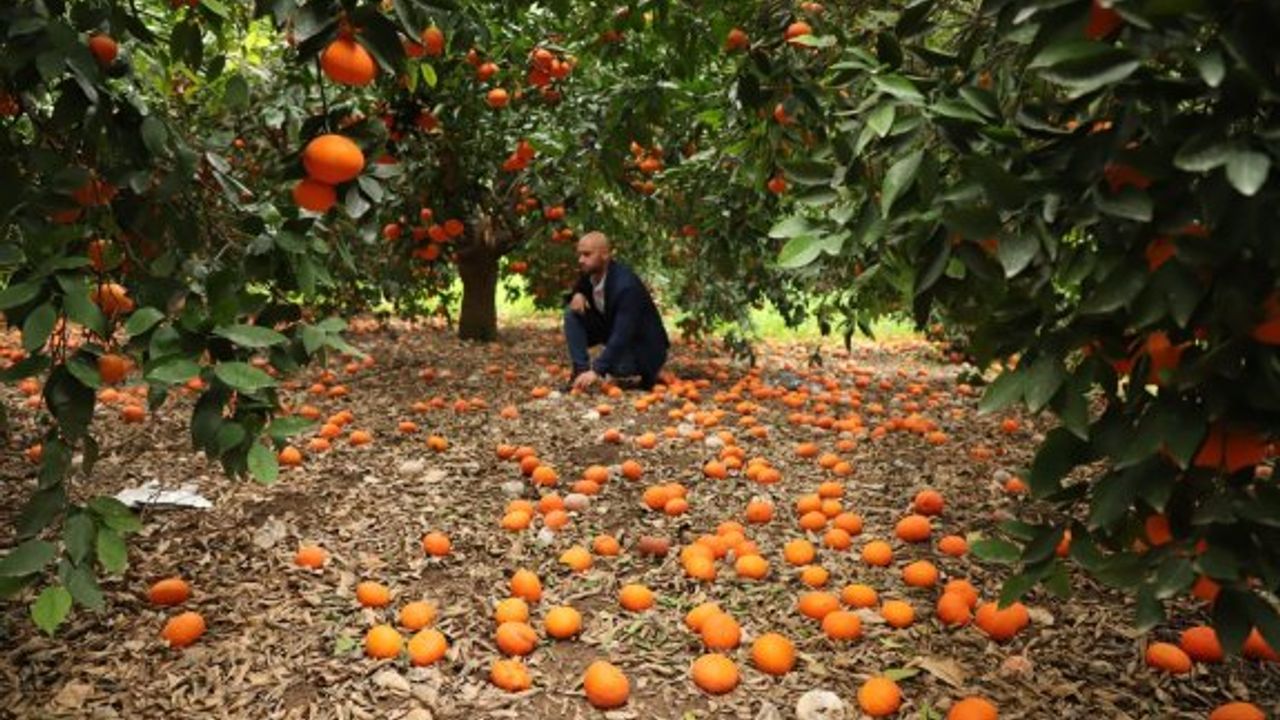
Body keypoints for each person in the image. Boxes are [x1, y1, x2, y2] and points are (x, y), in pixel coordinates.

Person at [564, 231, 669, 391]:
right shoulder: (592, 272)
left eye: (586, 254)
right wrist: (578, 294)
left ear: (605, 255)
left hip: (643, 347)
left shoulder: (626, 286)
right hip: (614, 331)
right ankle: (580, 371)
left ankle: (648, 372)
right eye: (580, 255)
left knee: (617, 367)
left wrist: (597, 370)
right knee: (572, 315)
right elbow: (582, 285)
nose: (581, 260)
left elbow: (622, 334)